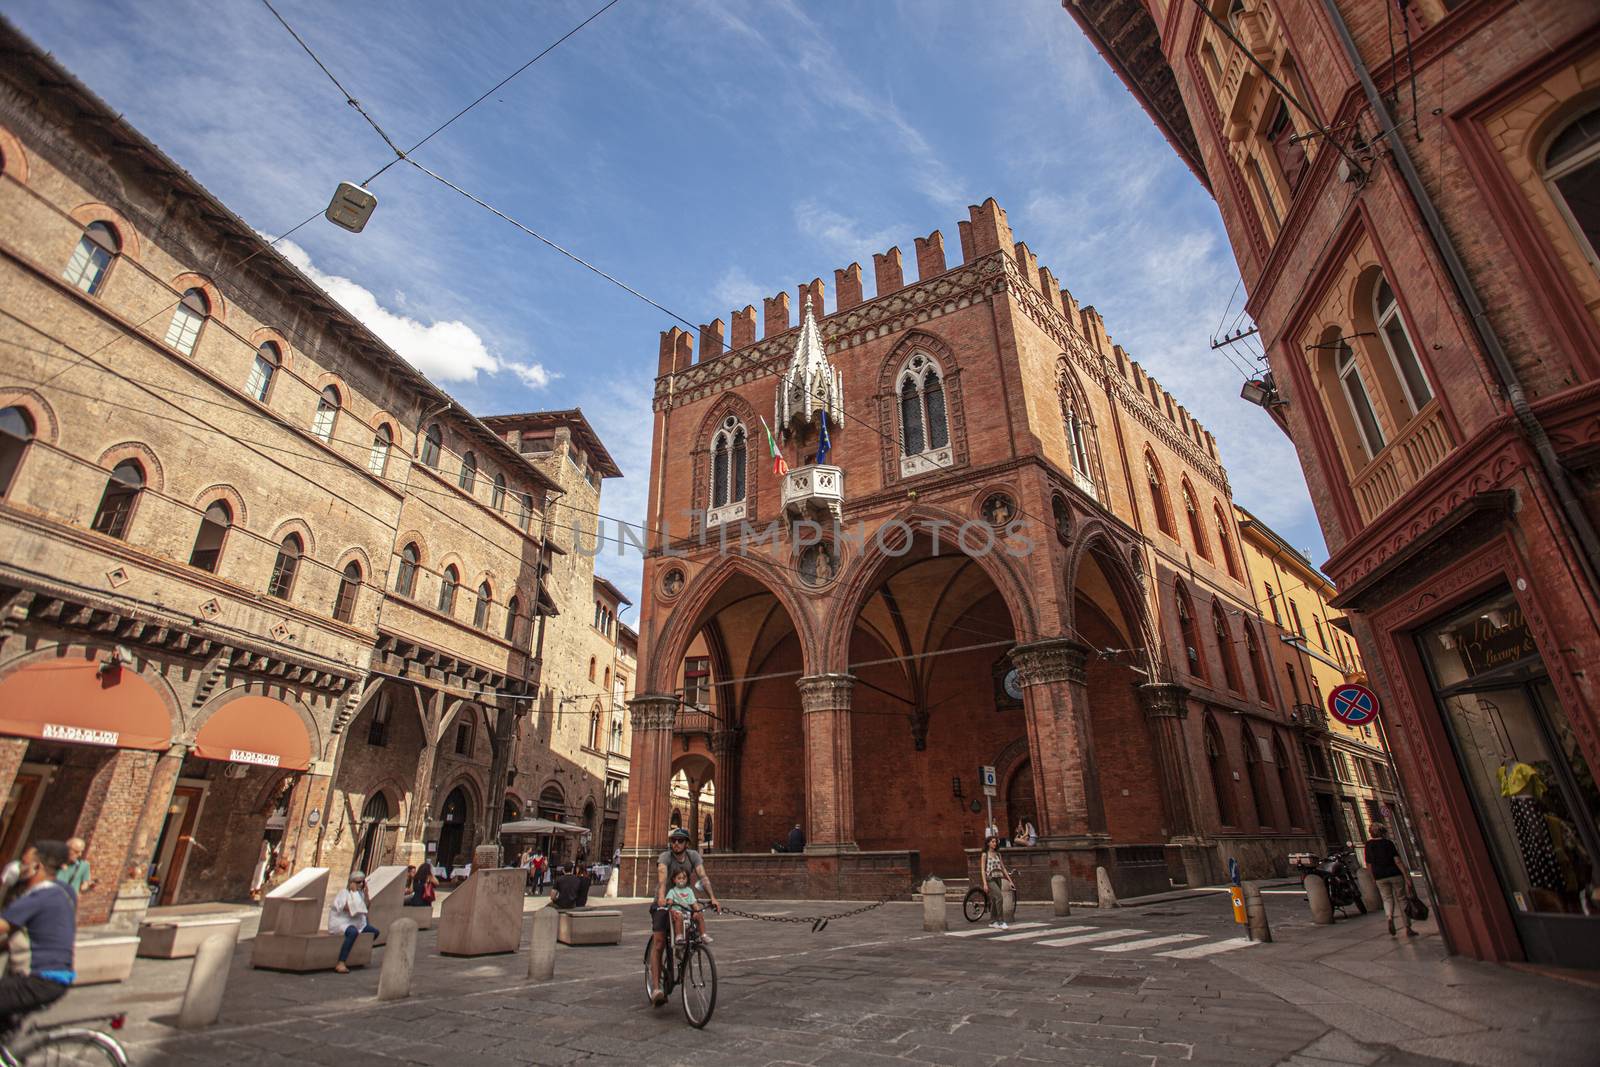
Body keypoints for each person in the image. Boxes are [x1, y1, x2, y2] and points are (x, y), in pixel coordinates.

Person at [0, 841, 78, 1034]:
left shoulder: (40, 896)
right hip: (57, 977)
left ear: (37, 867)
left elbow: (3, 926)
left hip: (37, 979)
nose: (18, 867)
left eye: (23, 863)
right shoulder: (64, 891)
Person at [649, 826, 721, 1006]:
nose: (676, 844)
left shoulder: (693, 856)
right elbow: (662, 877)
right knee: (658, 942)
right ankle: (657, 987)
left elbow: (703, 876)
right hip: (665, 902)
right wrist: (661, 898)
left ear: (687, 843)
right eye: (673, 840)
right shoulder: (665, 857)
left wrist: (712, 897)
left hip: (684, 901)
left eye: (680, 841)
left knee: (695, 919)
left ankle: (683, 947)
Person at [1364, 824, 1415, 938]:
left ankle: (1389, 917)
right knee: (1402, 899)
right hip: (1394, 873)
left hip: (1379, 876)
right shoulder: (1388, 843)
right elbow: (1397, 861)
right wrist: (1406, 876)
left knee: (1387, 899)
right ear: (1383, 832)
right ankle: (1408, 927)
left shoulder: (1368, 845)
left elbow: (1368, 864)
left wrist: (1373, 878)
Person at [327, 871, 379, 973]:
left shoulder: (361, 894)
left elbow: (366, 907)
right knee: (352, 932)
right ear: (352, 883)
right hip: (342, 922)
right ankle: (341, 962)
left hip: (357, 923)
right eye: (358, 882)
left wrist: (366, 894)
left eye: (362, 882)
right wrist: (354, 893)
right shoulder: (344, 893)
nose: (360, 884)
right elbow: (351, 909)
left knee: (374, 932)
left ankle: (358, 952)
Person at [665, 866, 709, 944]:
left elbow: (694, 903)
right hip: (676, 913)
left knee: (699, 915)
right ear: (674, 880)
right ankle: (679, 936)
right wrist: (670, 904)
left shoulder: (689, 891)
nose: (681, 880)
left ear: (687, 879)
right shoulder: (672, 891)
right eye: (679, 878)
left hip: (687, 913)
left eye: (683, 878)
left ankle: (703, 935)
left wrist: (697, 911)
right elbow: (669, 902)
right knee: (679, 916)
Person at [981, 834, 1016, 930]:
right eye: (992, 842)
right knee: (999, 897)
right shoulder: (985, 854)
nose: (994, 843)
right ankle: (1001, 921)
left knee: (994, 900)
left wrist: (1010, 881)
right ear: (988, 843)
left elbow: (1003, 868)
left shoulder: (998, 854)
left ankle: (993, 921)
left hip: (998, 877)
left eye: (995, 842)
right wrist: (984, 883)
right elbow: (983, 870)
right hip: (990, 878)